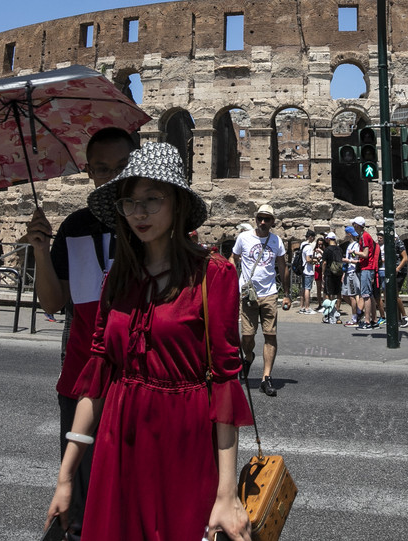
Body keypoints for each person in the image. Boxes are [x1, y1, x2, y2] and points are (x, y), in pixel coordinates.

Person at [45, 142, 253, 541]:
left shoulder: (213, 275)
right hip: (117, 438)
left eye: (152, 200)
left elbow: (226, 383)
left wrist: (227, 495)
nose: (139, 212)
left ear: (177, 203)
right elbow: (99, 377)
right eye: (129, 202)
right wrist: (66, 475)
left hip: (183, 438)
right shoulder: (119, 277)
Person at [22, 127, 136, 540]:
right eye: (102, 168)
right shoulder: (74, 228)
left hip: (136, 379)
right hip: (80, 375)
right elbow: (54, 304)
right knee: (81, 493)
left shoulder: (148, 224)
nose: (111, 176)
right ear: (89, 172)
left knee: (129, 487)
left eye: (122, 167)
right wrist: (39, 250)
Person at [231, 204, 290, 396]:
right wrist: (230, 282)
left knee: (270, 335)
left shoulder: (276, 241)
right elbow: (233, 258)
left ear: (273, 221)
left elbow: (282, 267)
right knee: (247, 336)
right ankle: (248, 357)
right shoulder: (244, 238)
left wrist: (287, 294)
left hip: (270, 293)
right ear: (256, 219)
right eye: (260, 218)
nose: (263, 222)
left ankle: (266, 377)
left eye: (267, 219)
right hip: (248, 294)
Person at [357, 216, 382, 330]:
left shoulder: (365, 236)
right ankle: (374, 320)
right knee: (370, 295)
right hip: (368, 267)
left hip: (367, 268)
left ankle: (367, 321)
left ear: (357, 225)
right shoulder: (364, 236)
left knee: (365, 295)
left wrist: (355, 252)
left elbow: (366, 254)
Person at [341, 224, 363, 325]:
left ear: (349, 234)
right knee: (344, 294)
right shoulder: (349, 245)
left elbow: (357, 260)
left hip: (353, 272)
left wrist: (348, 260)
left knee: (352, 296)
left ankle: (354, 318)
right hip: (348, 272)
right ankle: (358, 311)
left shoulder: (356, 246)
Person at [297, 231, 319, 314]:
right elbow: (308, 259)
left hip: (302, 269)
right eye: (313, 237)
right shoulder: (308, 247)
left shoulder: (302, 244)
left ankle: (302, 307)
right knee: (307, 289)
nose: (314, 239)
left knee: (303, 288)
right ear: (310, 237)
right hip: (308, 270)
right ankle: (307, 307)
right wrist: (315, 260)